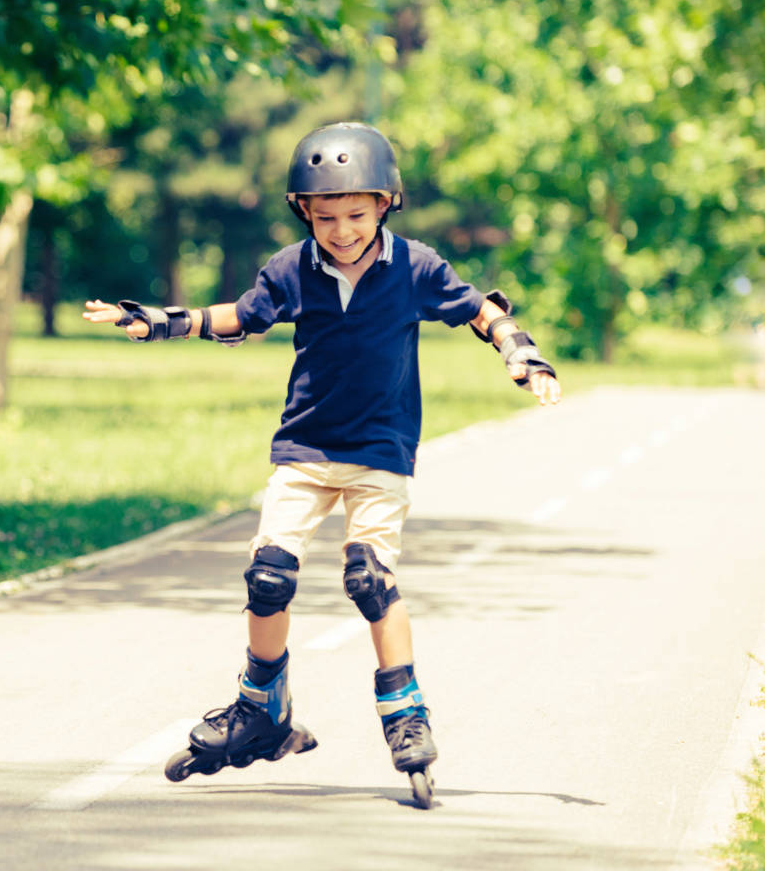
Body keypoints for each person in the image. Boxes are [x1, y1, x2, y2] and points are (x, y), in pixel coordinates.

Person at [84, 121, 561, 807]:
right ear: (303, 210)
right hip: (305, 448)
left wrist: (523, 354)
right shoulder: (290, 268)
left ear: (386, 204)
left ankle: (406, 713)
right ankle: (260, 706)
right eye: (326, 216)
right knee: (268, 572)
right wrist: (166, 321)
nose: (341, 230)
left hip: (379, 450)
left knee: (369, 577)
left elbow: (482, 312)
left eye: (356, 215)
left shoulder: (416, 267)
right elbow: (242, 317)